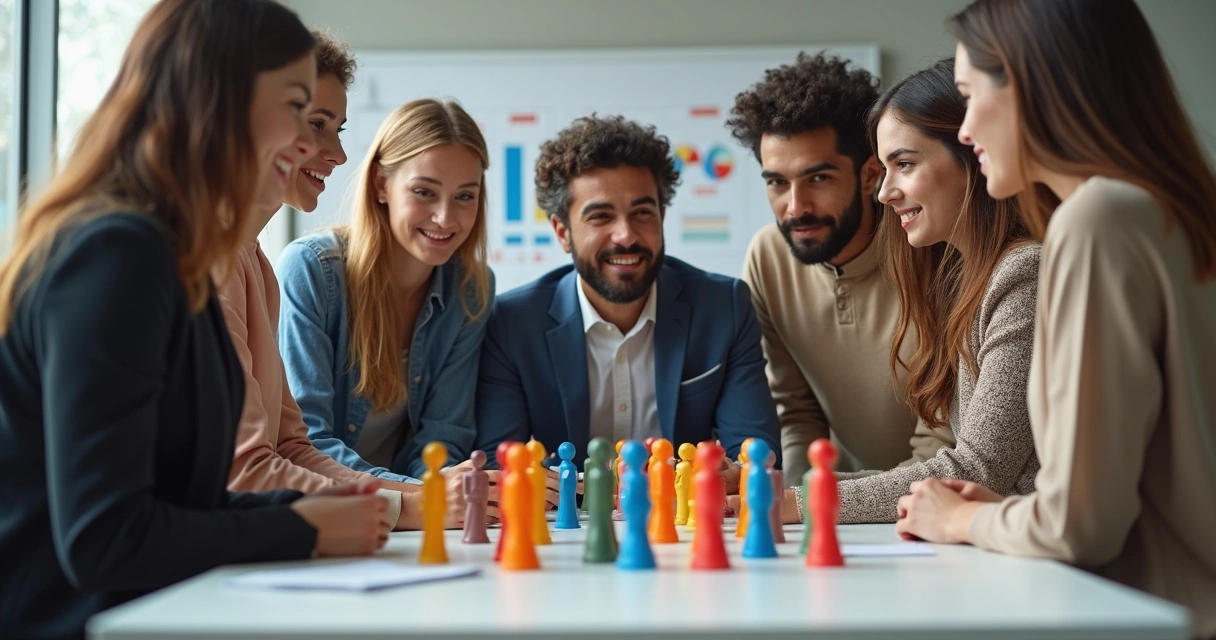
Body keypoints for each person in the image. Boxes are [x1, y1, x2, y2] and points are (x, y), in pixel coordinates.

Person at [0, 3, 387, 639]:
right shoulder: (117, 254)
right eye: (296, 109)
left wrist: (306, 507)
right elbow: (105, 536)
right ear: (223, 101)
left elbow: (180, 503)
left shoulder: (185, 259)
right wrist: (302, 526)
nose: (309, 142)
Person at [897, 1, 1216, 636]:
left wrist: (959, 521)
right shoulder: (1167, 210)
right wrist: (1007, 513)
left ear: (1031, 84)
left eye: (970, 95)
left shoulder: (1097, 221)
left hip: (1157, 613)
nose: (964, 131)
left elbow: (1080, 528)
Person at [217, 32, 451, 529]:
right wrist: (416, 507)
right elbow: (245, 471)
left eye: (337, 129)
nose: (339, 154)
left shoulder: (254, 263)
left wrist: (429, 494)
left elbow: (292, 449)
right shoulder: (211, 260)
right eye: (318, 125)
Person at [474, 114, 780, 482]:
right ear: (562, 232)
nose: (626, 235)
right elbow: (497, 463)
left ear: (662, 217)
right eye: (601, 217)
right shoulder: (512, 323)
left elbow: (753, 452)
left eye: (642, 213)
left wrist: (737, 473)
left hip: (683, 527)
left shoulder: (723, 307)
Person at [831, 59, 1039, 523]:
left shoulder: (1026, 274)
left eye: (904, 164)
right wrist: (789, 491)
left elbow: (975, 472)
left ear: (973, 155)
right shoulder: (966, 280)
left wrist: (804, 504)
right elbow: (944, 472)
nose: (884, 193)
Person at [731, 52, 954, 483]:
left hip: (935, 499)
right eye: (777, 182)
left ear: (870, 175)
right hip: (838, 507)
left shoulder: (935, 250)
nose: (795, 207)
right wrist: (795, 500)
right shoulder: (767, 257)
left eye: (818, 178)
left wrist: (825, 502)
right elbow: (796, 414)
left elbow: (942, 441)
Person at [277, 98, 494, 494]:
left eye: (465, 196)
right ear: (381, 185)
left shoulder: (471, 290)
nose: (446, 218)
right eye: (425, 192)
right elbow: (304, 442)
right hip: (327, 507)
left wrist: (437, 480)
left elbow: (446, 433)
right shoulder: (312, 270)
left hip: (405, 519)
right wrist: (419, 497)